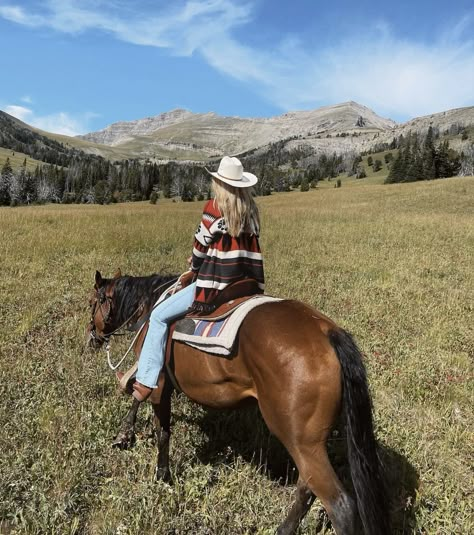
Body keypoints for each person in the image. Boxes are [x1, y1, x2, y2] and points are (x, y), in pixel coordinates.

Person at [130, 156, 264, 402]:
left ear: (219, 183)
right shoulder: (252, 211)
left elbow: (200, 248)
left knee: (158, 315)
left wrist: (194, 265)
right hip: (247, 285)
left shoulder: (214, 208)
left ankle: (146, 380)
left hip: (216, 286)